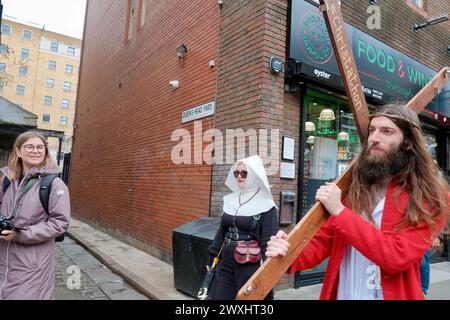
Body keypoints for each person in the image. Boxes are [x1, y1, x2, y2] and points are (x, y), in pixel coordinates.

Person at [266, 105, 449, 300]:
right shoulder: (352, 189)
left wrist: (340, 211)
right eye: (372, 130)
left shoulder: (430, 197)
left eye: (387, 131)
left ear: (407, 142)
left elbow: (396, 256)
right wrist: (288, 253)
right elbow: (322, 242)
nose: (374, 138)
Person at [0, 131, 70, 299]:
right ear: (18, 151)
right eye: (29, 146)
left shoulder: (53, 184)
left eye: (40, 147)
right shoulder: (7, 181)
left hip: (32, 264)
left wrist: (20, 234)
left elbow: (60, 222)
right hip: (4, 260)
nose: (35, 151)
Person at [207, 155, 278, 300]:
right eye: (236, 173)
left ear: (253, 175)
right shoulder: (231, 200)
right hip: (226, 263)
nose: (239, 176)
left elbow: (267, 242)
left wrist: (266, 274)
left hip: (249, 266)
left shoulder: (266, 205)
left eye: (244, 173)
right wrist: (213, 255)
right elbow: (223, 231)